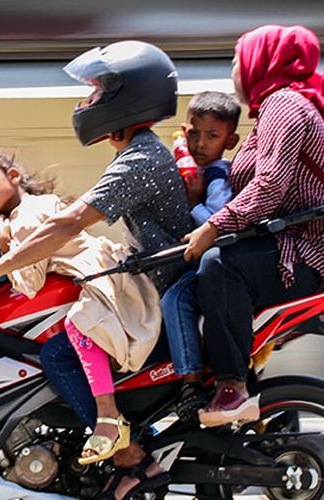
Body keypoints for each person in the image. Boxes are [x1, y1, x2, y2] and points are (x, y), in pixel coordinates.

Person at [0, 41, 194, 499]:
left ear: (128, 98)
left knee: (60, 354)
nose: (87, 104)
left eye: (98, 94)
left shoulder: (139, 159)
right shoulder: (135, 154)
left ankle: (129, 456)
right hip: (143, 281)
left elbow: (67, 225)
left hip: (149, 287)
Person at [0, 148, 162, 466]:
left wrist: (3, 244)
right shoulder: (34, 208)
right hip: (109, 275)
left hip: (101, 281)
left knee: (64, 344)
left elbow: (30, 282)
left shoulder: (25, 218)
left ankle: (110, 422)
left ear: (13, 176)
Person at [184, 25, 324, 427]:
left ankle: (232, 387)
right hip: (285, 247)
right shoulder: (275, 109)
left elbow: (269, 185)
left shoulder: (284, 104)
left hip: (302, 254)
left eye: (236, 61)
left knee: (219, 266)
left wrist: (212, 227)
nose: (232, 72)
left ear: (262, 61)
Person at [160, 91, 240, 422]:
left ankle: (190, 382)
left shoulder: (218, 173)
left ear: (231, 140)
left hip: (220, 262)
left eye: (212, 136)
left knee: (175, 300)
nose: (200, 144)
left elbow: (218, 219)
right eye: (194, 133)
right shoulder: (191, 166)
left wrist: (193, 200)